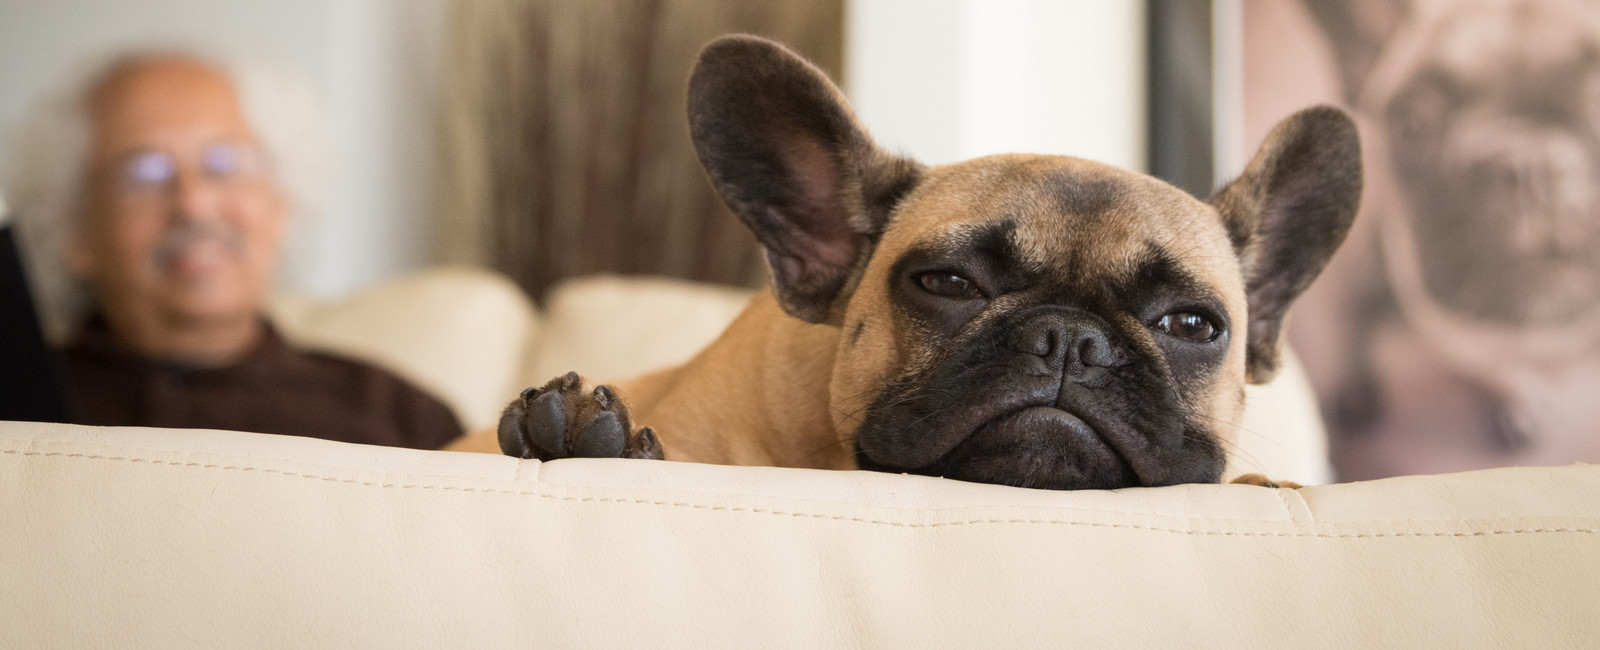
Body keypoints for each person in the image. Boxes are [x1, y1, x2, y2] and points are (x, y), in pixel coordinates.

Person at [3, 51, 462, 449]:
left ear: (280, 206)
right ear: (73, 230)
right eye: (143, 172)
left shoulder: (397, 414)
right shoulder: (20, 407)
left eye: (224, 164)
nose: (193, 204)